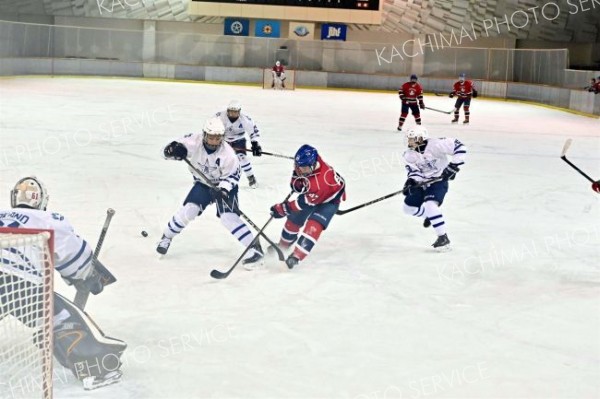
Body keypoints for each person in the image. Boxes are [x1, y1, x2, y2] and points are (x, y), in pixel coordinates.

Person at [0, 176, 126, 390]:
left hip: (13, 281)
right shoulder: (49, 219)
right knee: (61, 318)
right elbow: (75, 259)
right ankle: (96, 367)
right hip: (21, 284)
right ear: (42, 201)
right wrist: (89, 278)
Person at [157, 117, 264, 265]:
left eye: (218, 138)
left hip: (225, 187)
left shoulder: (228, 154)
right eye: (211, 137)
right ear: (205, 134)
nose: (214, 141)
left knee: (228, 217)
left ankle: (254, 247)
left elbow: (234, 175)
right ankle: (166, 237)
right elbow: (164, 152)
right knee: (188, 211)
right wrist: (170, 151)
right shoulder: (193, 141)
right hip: (203, 184)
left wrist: (224, 189)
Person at [269, 144, 346, 269]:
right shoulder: (304, 163)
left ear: (313, 164)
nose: (301, 170)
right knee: (294, 218)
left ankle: (297, 256)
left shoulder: (320, 182)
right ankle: (283, 245)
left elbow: (301, 203)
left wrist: (282, 209)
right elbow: (297, 175)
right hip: (314, 193)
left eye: (304, 168)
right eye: (299, 167)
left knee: (314, 225)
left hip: (329, 200)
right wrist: (296, 183)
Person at [401, 127, 467, 250]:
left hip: (438, 180)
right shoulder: (409, 154)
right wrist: (411, 181)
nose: (409, 142)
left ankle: (443, 238)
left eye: (411, 139)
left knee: (431, 205)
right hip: (422, 183)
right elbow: (414, 171)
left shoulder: (436, 144)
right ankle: (429, 216)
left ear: (420, 138)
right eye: (408, 139)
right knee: (408, 208)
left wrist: (453, 166)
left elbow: (460, 147)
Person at [215, 100, 262, 188]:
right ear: (227, 111)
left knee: (242, 158)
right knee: (218, 159)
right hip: (223, 141)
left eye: (235, 112)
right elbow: (211, 128)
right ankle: (216, 178)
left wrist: (255, 144)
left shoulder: (245, 120)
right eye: (231, 112)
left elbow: (253, 132)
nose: (232, 114)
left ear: (239, 112)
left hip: (239, 141)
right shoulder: (219, 117)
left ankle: (251, 177)